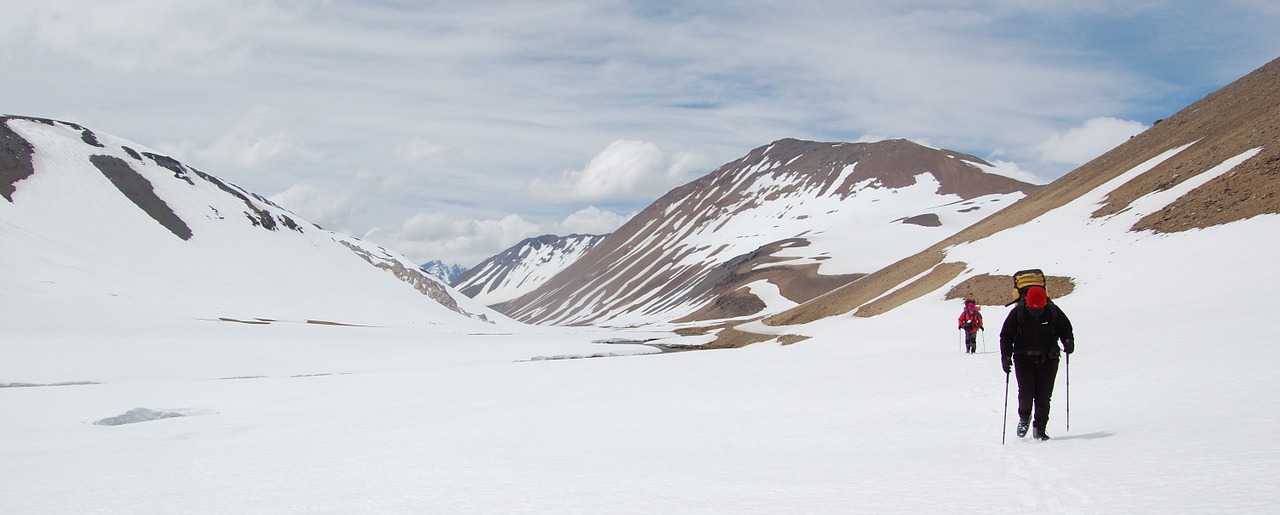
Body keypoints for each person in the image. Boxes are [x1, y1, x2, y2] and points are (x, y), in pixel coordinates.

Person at [999, 285, 1074, 440]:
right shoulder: (1018, 313)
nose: (1036, 313)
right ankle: (1024, 418)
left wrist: (1068, 341)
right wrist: (1005, 357)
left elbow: (1065, 328)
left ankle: (1040, 429)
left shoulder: (1052, 311)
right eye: (1033, 310)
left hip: (1049, 360)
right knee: (1026, 393)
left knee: (1044, 396)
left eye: (1039, 310)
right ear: (1026, 303)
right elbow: (1006, 335)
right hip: (1023, 360)